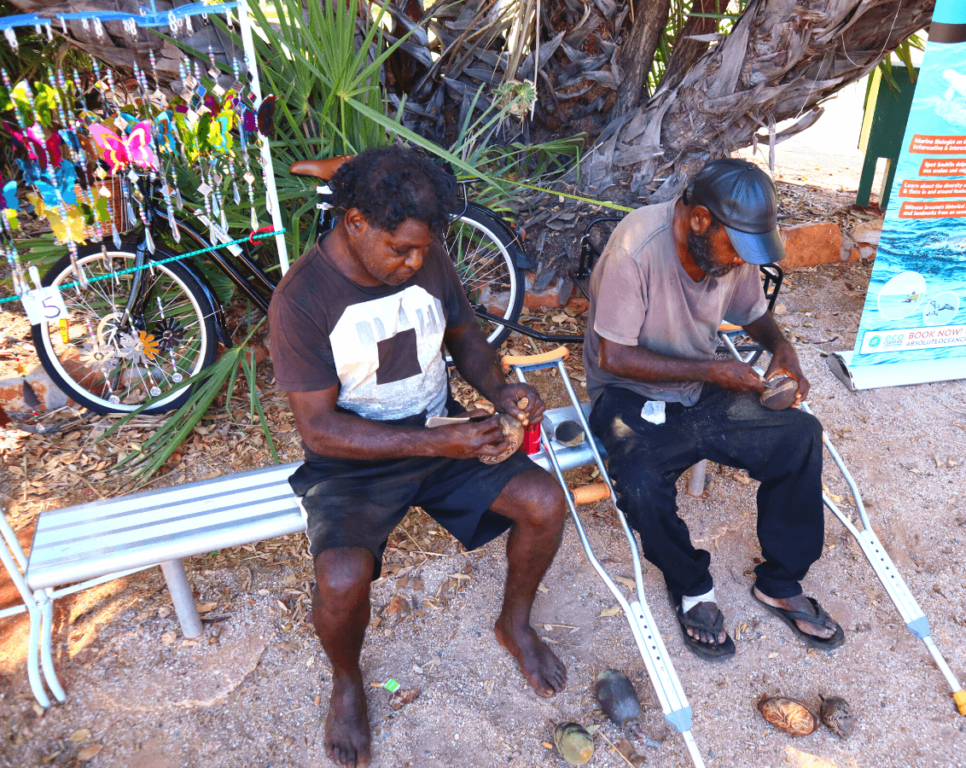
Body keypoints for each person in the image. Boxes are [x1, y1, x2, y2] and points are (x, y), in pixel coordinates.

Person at [269, 146, 567, 767]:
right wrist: (442, 441)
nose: (414, 262)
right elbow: (321, 430)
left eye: (422, 249)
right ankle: (347, 682)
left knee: (543, 501)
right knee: (342, 576)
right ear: (354, 223)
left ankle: (514, 623)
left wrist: (500, 389)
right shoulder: (301, 299)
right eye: (400, 249)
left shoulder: (425, 261)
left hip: (438, 428)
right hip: (352, 459)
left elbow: (466, 340)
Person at [582, 158, 843, 662]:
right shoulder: (634, 249)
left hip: (702, 379)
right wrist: (714, 371)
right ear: (700, 219)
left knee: (799, 435)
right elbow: (615, 355)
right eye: (737, 248)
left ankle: (780, 579)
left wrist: (782, 348)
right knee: (639, 481)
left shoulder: (729, 251)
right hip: (627, 390)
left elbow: (754, 314)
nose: (742, 261)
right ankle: (692, 586)